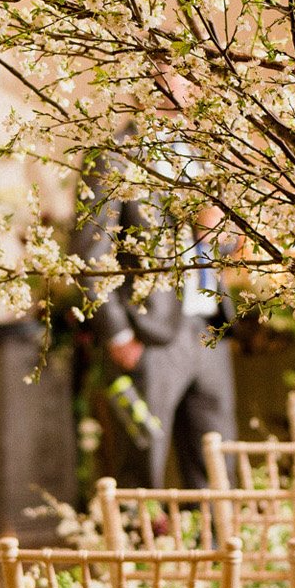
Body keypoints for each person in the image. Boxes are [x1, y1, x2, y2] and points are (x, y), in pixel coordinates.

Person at [78, 185, 237, 490]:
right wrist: (119, 334)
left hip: (209, 325)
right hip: (146, 337)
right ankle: (139, 537)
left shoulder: (205, 152)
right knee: (141, 464)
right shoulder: (117, 154)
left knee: (216, 461)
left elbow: (223, 245)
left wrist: (220, 234)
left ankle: (216, 538)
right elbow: (91, 252)